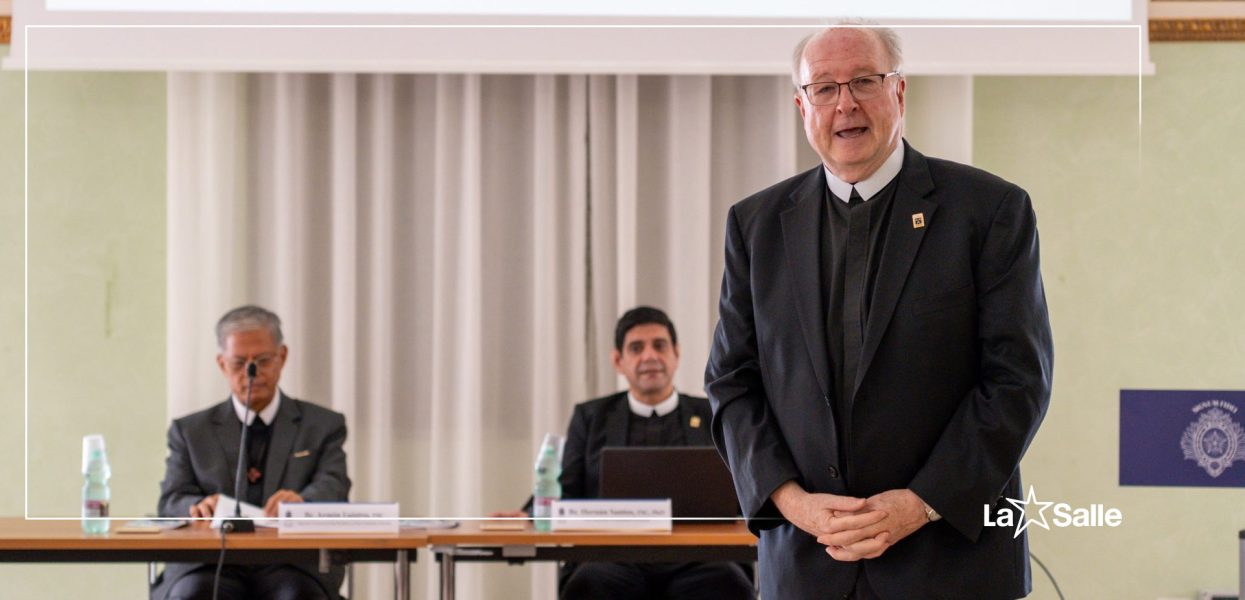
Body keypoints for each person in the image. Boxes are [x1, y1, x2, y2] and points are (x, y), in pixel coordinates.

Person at [704, 23, 1054, 599]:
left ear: (899, 92)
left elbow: (1017, 382)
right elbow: (732, 383)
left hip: (949, 562)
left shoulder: (990, 211)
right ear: (802, 105)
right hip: (807, 562)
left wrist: (919, 505)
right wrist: (795, 504)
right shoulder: (756, 226)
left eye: (864, 80)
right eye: (823, 88)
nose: (845, 103)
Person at [493, 306, 753, 600]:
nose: (649, 356)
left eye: (659, 345)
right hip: (611, 558)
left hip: (700, 559)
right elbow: (566, 486)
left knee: (728, 584)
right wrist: (529, 514)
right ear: (618, 360)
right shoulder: (590, 417)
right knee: (591, 584)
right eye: (636, 348)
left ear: (676, 354)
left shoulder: (712, 414)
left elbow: (742, 489)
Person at [153, 305, 351, 600]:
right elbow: (171, 500)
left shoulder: (322, 425)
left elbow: (334, 487)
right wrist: (197, 506)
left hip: (292, 564)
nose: (251, 373)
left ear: (282, 357)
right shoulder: (191, 431)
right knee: (194, 595)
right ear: (221, 364)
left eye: (262, 360)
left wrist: (302, 501)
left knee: (297, 595)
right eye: (239, 363)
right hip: (209, 565)